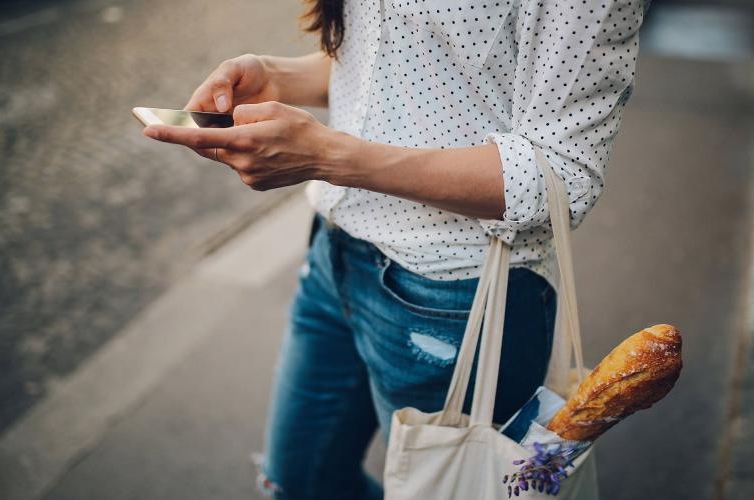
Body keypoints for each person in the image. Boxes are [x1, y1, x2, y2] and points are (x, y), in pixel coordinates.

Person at [143, 1, 646, 498]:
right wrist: (273, 75)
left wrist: (327, 156)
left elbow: (563, 173)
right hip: (334, 253)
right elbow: (403, 56)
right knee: (297, 482)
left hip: (455, 295)